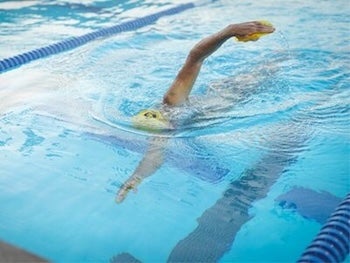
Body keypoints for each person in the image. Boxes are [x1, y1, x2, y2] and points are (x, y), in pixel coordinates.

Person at [116, 21, 275, 203]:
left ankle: (281, 58)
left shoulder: (172, 101)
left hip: (235, 90)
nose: (159, 138)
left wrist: (228, 31)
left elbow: (195, 57)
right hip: (223, 95)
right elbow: (154, 156)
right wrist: (136, 177)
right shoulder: (162, 128)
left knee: (268, 70)